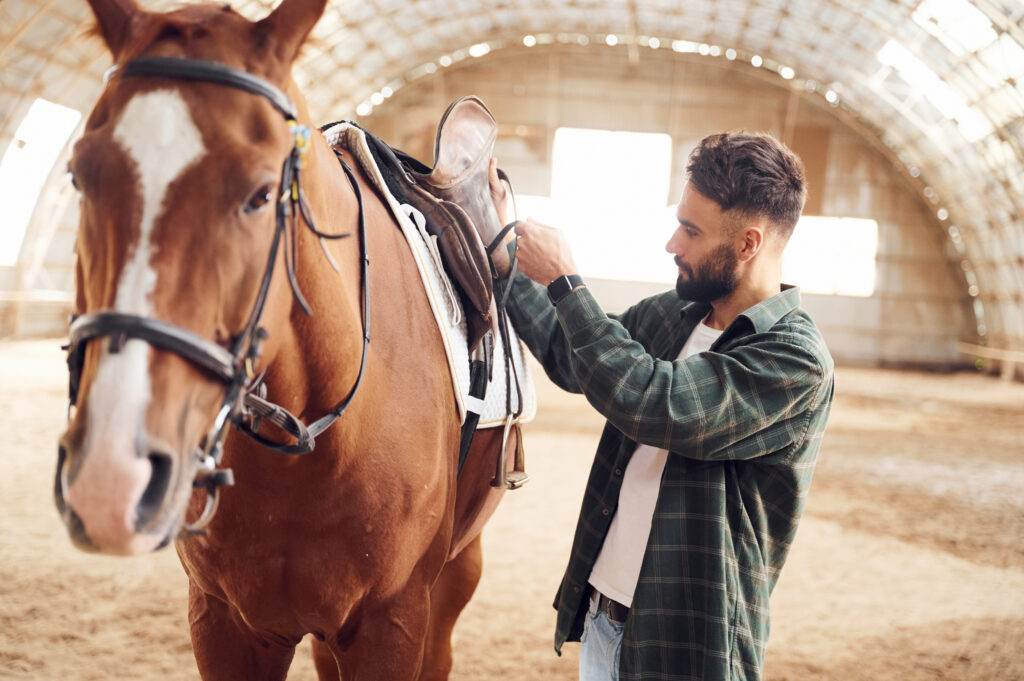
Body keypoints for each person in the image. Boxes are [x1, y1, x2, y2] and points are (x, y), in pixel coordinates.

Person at [487, 131, 835, 681]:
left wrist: (566, 281)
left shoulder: (794, 358)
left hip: (688, 645)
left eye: (691, 230)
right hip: (604, 615)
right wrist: (505, 257)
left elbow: (660, 403)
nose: (673, 243)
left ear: (748, 244)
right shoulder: (678, 312)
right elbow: (570, 352)